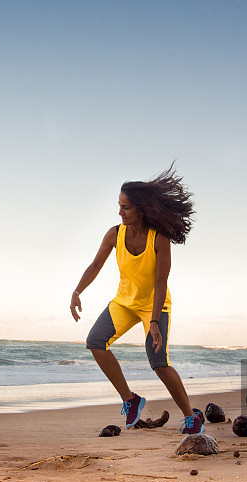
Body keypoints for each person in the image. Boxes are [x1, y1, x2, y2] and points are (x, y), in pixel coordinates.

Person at [70, 165, 203, 435]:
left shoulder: (159, 238)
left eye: (126, 207)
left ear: (141, 208)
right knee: (96, 342)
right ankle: (130, 399)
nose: (120, 212)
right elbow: (95, 265)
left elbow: (160, 282)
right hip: (124, 303)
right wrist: (77, 291)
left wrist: (154, 321)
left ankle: (191, 417)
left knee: (159, 362)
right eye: (119, 206)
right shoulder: (115, 234)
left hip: (154, 305)